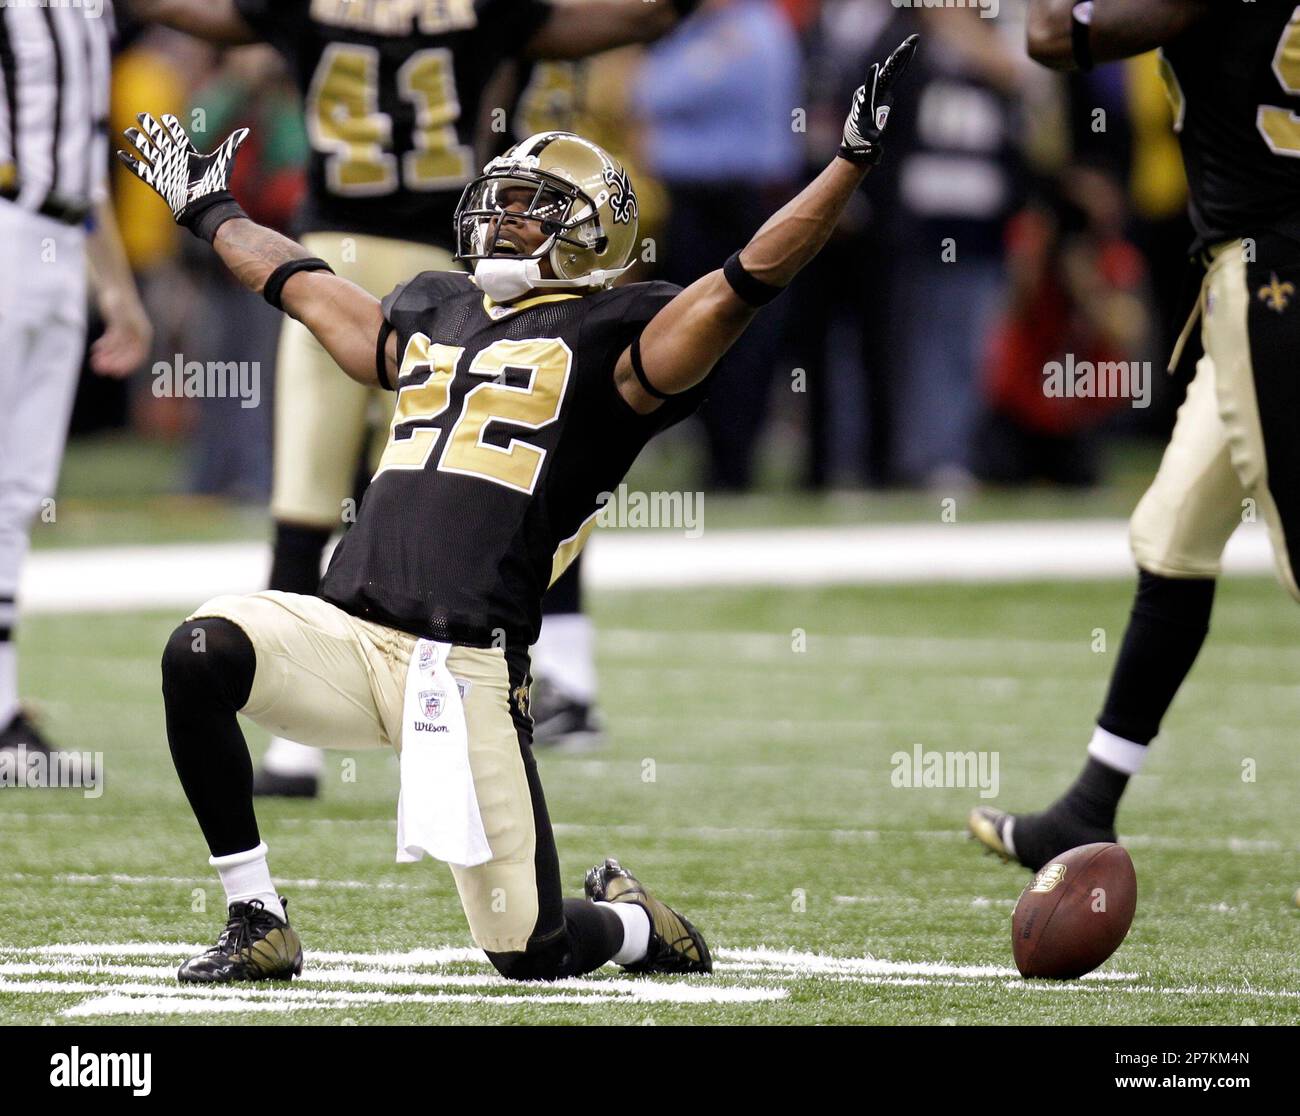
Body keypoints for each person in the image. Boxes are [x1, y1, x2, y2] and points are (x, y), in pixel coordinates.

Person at [120, 34, 920, 982]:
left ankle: (633, 927)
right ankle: (257, 916)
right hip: (347, 637)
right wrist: (210, 211)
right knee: (199, 652)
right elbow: (308, 287)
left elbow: (748, 278)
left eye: (528, 210)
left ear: (592, 233)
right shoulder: (433, 307)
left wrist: (847, 164)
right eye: (494, 203)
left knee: (528, 951)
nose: (498, 222)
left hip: (468, 668)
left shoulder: (621, 337)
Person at [131, 0, 705, 796]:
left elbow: (199, 16)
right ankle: (476, 705)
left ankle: (293, 746)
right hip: (444, 270)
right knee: (460, 475)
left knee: (304, 502)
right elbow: (641, 18)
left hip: (328, 251)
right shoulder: (477, 14)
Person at [969, 2, 1300, 878]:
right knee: (1175, 535)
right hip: (1257, 263)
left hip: (1274, 274)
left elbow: (1051, 37)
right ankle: (1087, 810)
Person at [0, 1, 151, 756]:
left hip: (60, 240)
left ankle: (1, 710)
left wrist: (114, 287)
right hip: (6, 227)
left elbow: (84, 164)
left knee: (19, 490)